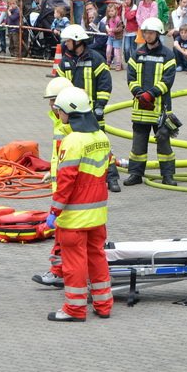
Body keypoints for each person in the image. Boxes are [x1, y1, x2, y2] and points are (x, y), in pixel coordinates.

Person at [46, 86, 113, 322]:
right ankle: (104, 304)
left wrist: (54, 212)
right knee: (97, 258)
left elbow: (65, 183)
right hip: (98, 215)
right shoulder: (101, 137)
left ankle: (74, 309)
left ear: (70, 112)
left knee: (74, 263)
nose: (58, 114)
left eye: (60, 110)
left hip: (74, 218)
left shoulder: (72, 141)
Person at [56, 24, 120, 192]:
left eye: (68, 41)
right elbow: (59, 86)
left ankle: (112, 177)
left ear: (77, 41)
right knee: (75, 148)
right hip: (72, 115)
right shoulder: (65, 62)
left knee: (102, 146)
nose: (66, 44)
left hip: (92, 114)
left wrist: (100, 106)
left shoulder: (96, 59)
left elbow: (105, 84)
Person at [31, 76, 75, 288]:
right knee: (62, 234)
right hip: (62, 189)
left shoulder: (71, 126)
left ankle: (60, 273)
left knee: (65, 236)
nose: (50, 105)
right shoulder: (61, 123)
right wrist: (52, 170)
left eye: (53, 100)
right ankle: (59, 272)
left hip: (68, 193)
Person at [124, 18, 178, 187]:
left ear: (158, 34)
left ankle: (168, 175)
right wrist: (139, 93)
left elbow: (168, 80)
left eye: (151, 33)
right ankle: (135, 174)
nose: (147, 36)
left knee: (164, 144)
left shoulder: (167, 55)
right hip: (140, 108)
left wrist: (151, 94)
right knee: (138, 145)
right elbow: (130, 77)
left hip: (161, 108)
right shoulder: (137, 54)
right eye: (145, 32)